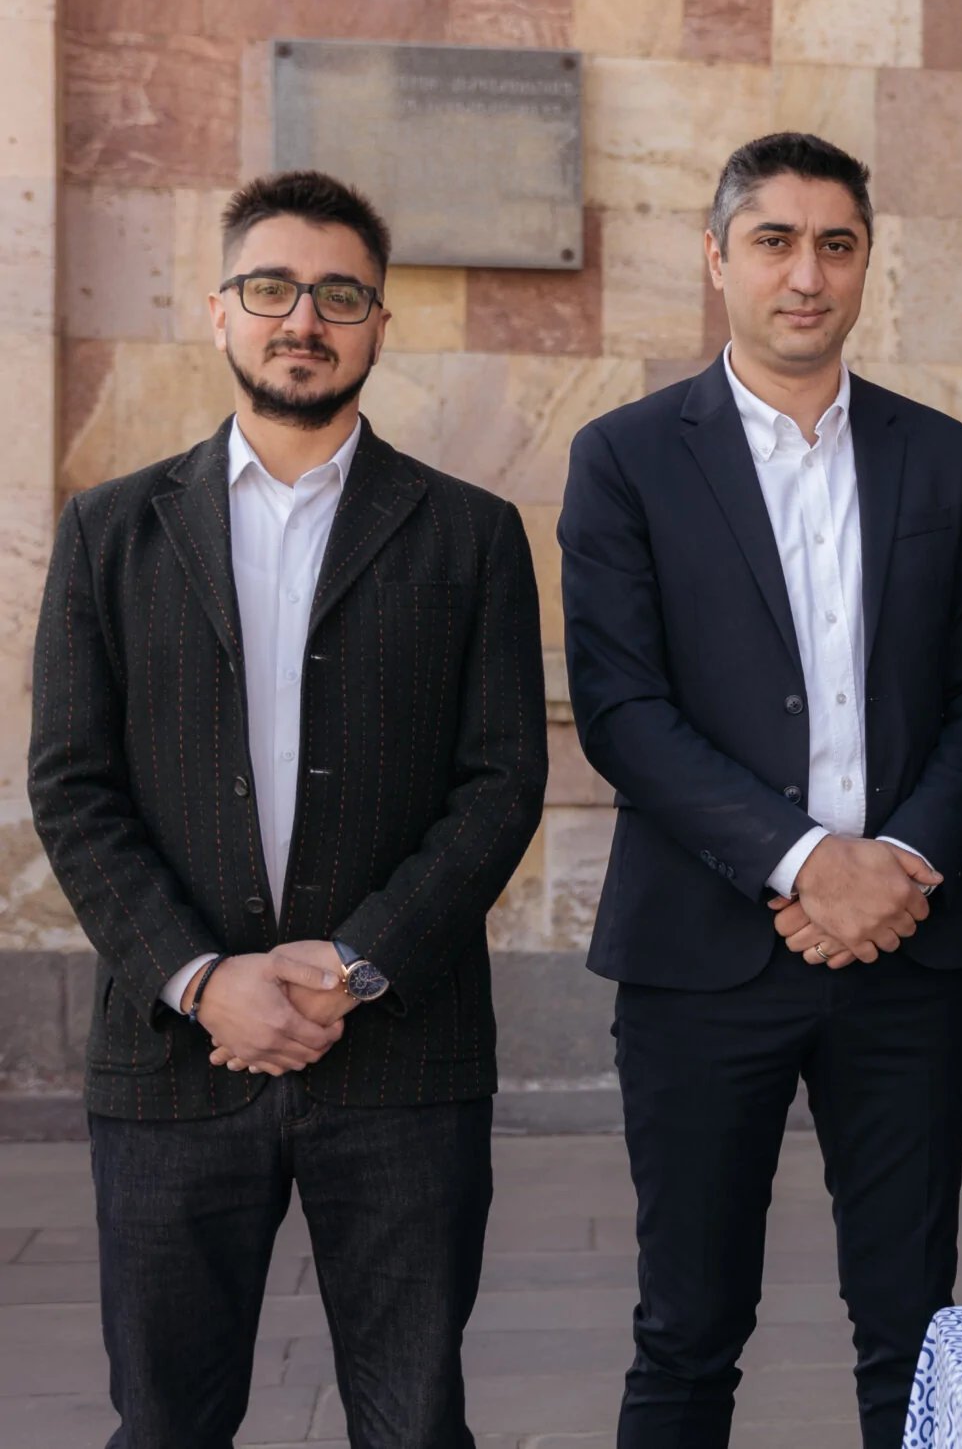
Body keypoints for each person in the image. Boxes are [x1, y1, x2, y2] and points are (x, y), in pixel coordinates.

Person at [29, 171, 548, 1448]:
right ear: (219, 310)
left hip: (403, 1056)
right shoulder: (109, 532)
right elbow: (73, 786)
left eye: (338, 294)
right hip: (172, 1057)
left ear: (379, 323)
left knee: (413, 1422)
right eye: (270, 288)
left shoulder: (470, 534)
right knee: (164, 1422)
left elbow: (501, 781)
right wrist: (204, 979)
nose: (302, 318)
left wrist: (355, 962)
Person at [559, 132, 962, 1449]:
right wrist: (811, 861)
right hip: (703, 957)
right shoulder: (628, 456)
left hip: (909, 953)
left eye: (835, 244)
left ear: (865, 263)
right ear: (717, 258)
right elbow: (623, 712)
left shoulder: (938, 455)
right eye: (774, 241)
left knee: (914, 1328)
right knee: (686, 1330)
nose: (806, 273)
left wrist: (901, 863)